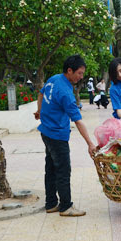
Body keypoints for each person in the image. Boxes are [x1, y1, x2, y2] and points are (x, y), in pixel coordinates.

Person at [34, 55, 95, 217]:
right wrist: (90, 143)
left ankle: (51, 204)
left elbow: (41, 94)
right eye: (80, 73)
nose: (81, 77)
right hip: (57, 135)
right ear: (70, 71)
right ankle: (66, 206)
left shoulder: (54, 79)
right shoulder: (66, 93)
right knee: (63, 170)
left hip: (46, 132)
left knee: (51, 169)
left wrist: (39, 111)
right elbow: (78, 121)